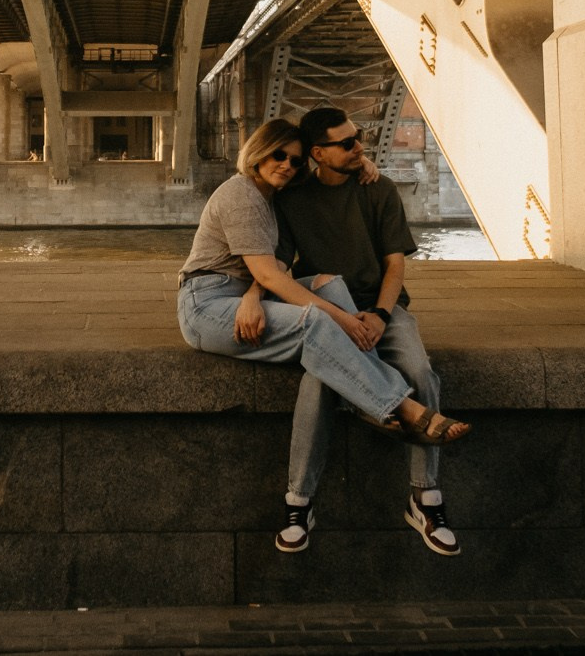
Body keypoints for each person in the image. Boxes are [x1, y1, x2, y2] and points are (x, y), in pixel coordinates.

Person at [176, 119, 472, 547]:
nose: (287, 165)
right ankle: (397, 410)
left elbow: (388, 265)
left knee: (395, 367)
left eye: (294, 160)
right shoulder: (258, 195)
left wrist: (378, 316)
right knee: (320, 350)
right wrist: (264, 298)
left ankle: (422, 496)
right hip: (214, 300)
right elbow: (269, 270)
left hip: (378, 307)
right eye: (280, 155)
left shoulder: (354, 189)